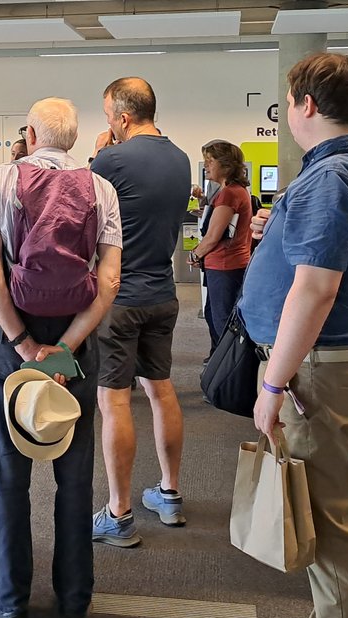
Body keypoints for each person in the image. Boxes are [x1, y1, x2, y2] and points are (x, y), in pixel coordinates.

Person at [241, 53, 348, 618]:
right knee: (334, 511)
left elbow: (317, 288)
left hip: (321, 372)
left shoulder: (334, 175)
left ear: (307, 104)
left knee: (331, 525)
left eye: (288, 102)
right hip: (341, 364)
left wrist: (273, 384)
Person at [0, 97, 122, 618]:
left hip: (13, 338)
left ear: (31, 135)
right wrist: (64, 349)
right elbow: (108, 282)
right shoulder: (101, 189)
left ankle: (10, 606)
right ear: (74, 140)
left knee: (9, 477)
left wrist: (22, 344)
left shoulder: (0, 180)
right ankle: (74, 604)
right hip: (76, 340)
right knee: (75, 476)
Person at [88, 77, 192, 546]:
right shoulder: (181, 157)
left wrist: (96, 157)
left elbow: (84, 211)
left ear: (123, 118)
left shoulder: (111, 159)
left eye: (109, 115)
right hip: (163, 294)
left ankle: (119, 511)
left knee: (113, 400)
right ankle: (169, 493)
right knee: (160, 390)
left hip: (119, 297)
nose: (108, 122)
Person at [191, 140, 253, 356]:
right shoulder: (231, 191)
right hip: (228, 265)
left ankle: (225, 369)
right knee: (215, 315)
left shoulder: (229, 194)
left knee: (222, 320)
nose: (206, 166)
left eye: (210, 161)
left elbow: (212, 237)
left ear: (226, 165)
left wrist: (195, 253)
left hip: (225, 266)